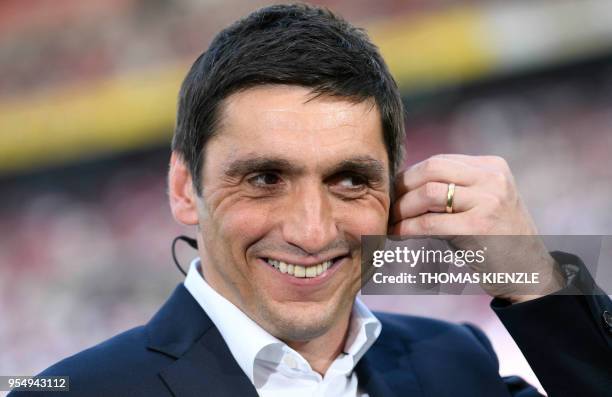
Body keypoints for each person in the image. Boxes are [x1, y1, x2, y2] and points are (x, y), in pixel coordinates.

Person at [10, 4, 610, 397]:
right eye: (265, 178)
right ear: (183, 189)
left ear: (395, 196)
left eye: (350, 180)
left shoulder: (452, 364)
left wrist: (531, 276)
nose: (312, 229)